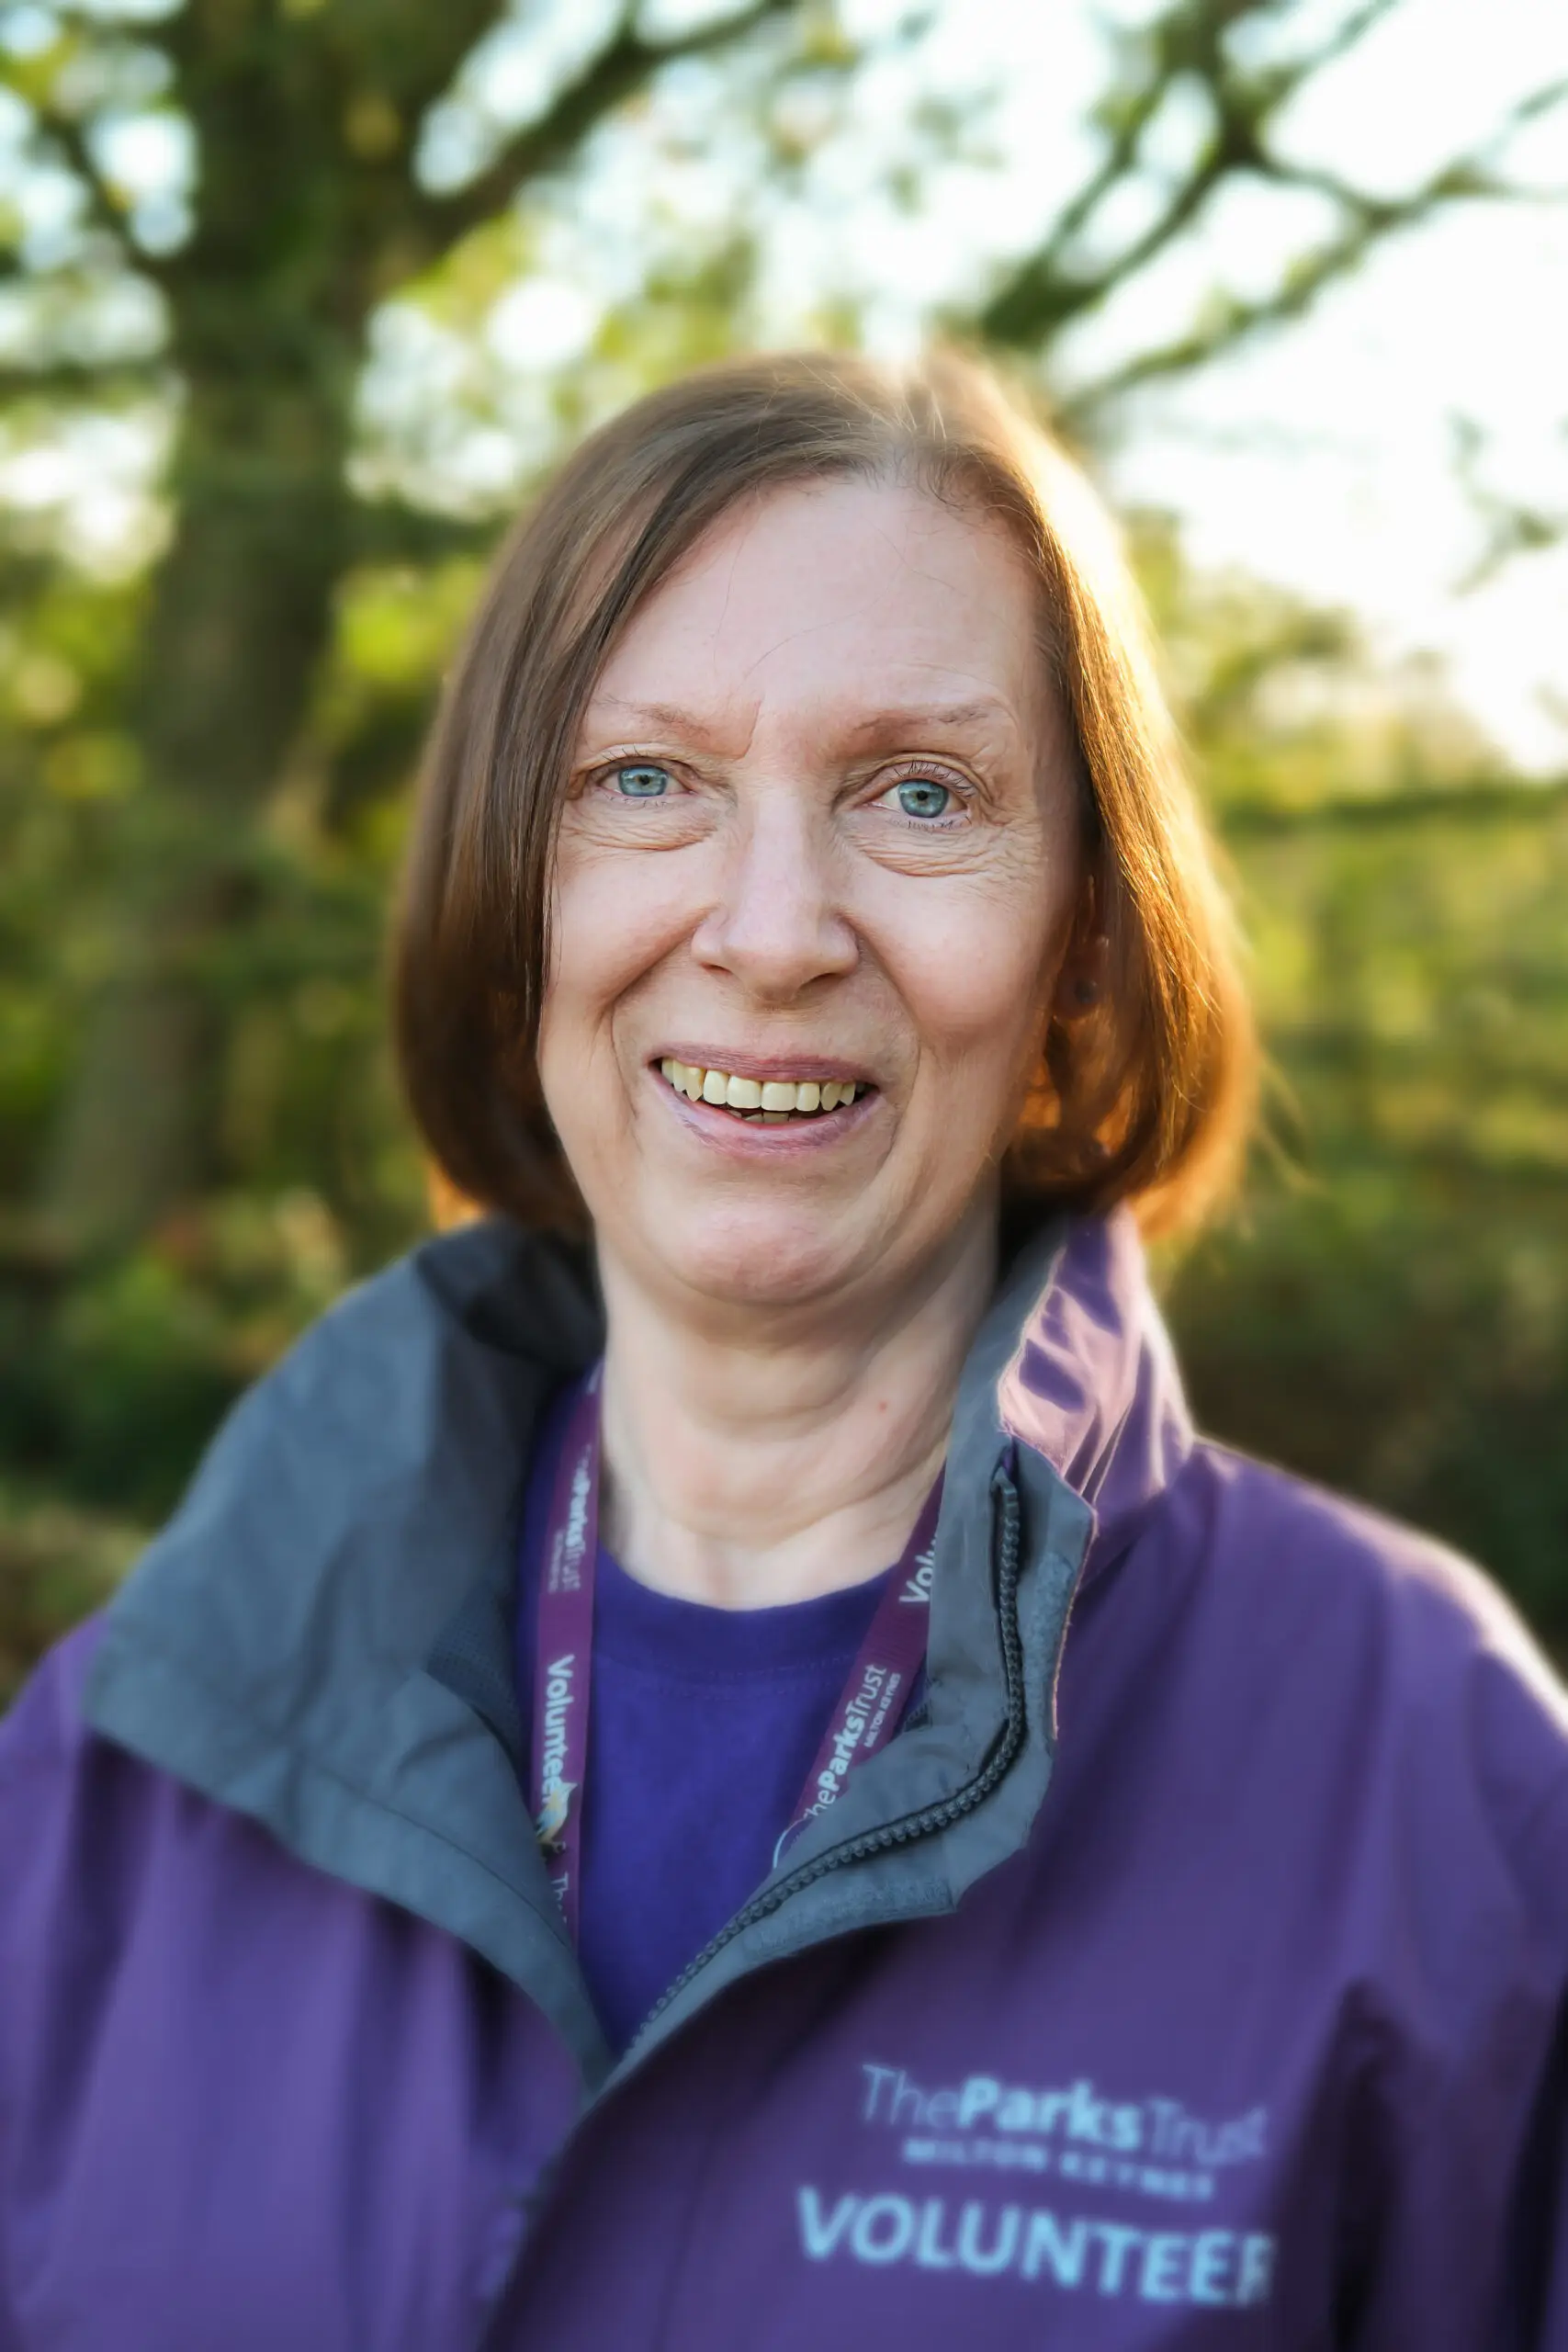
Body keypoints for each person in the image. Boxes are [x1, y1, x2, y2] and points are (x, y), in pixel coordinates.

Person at [1, 349, 1564, 2352]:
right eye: (643, 780)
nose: (770, 928)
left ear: (1082, 930)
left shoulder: (1435, 1783)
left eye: (918, 794)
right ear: (516, 887)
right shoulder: (122, 1770)